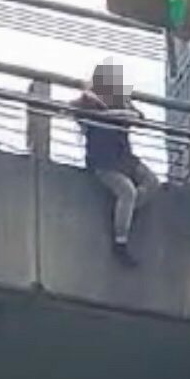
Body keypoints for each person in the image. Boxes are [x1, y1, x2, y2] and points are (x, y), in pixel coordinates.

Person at [73, 62, 157, 260]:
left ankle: (126, 211)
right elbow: (75, 111)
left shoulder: (121, 100)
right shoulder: (88, 101)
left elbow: (140, 118)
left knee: (152, 183)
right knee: (127, 190)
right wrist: (106, 114)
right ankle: (120, 242)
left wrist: (117, 113)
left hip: (125, 156)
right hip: (103, 159)